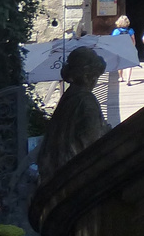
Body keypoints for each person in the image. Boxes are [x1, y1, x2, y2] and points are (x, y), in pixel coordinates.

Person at [35, 47, 108, 184]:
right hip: (73, 173)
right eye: (96, 76)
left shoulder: (70, 95)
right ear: (88, 76)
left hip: (55, 168)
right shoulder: (87, 101)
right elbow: (92, 142)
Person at [110, 14, 136, 84]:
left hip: (119, 49)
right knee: (129, 64)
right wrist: (133, 47)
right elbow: (133, 40)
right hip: (128, 48)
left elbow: (113, 41)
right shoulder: (130, 30)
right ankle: (128, 79)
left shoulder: (116, 31)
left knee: (120, 64)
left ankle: (121, 77)